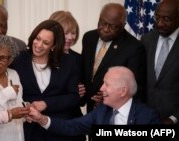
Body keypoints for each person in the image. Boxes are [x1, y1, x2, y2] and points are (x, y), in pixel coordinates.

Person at [26, 66, 160, 138]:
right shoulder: (102, 111)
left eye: (106, 84)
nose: (101, 88)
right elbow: (72, 127)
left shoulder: (148, 117)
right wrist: (41, 119)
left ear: (123, 91)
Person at [10, 20, 81, 141]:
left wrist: (46, 104)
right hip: (29, 129)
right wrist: (24, 106)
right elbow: (12, 92)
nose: (38, 45)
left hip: (60, 129)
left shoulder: (68, 62)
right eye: (37, 38)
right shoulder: (18, 60)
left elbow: (73, 97)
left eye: (46, 42)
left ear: (54, 46)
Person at [79, 3, 146, 114]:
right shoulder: (89, 38)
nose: (105, 29)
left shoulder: (134, 47)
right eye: (102, 23)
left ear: (123, 25)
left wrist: (109, 96)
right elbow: (85, 71)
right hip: (90, 107)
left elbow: (134, 87)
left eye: (112, 26)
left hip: (114, 111)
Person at [49, 10, 85, 141]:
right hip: (48, 123)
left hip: (73, 122)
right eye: (66, 33)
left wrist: (81, 94)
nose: (70, 37)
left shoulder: (79, 59)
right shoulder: (42, 57)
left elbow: (82, 101)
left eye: (73, 33)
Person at [141, 0, 179, 124]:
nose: (160, 24)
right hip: (146, 116)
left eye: (166, 19)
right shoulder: (146, 40)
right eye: (157, 18)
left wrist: (174, 118)